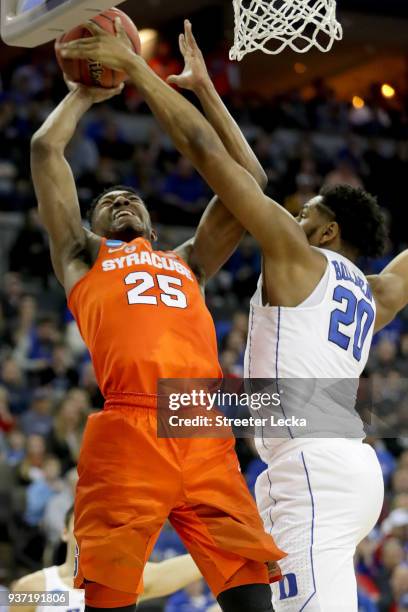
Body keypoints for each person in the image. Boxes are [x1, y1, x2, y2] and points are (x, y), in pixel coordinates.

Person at [59, 17, 408, 612]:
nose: (286, 217)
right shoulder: (378, 291)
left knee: (170, 405)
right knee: (184, 405)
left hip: (310, 466)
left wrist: (140, 68)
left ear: (325, 231)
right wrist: (207, 90)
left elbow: (211, 159)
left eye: (304, 214)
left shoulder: (295, 251)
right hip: (352, 456)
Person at [31, 20, 285, 612]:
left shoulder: (189, 261)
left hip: (200, 422)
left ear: (151, 221)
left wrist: (206, 92)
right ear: (93, 224)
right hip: (129, 426)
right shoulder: (80, 256)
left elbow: (250, 182)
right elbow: (46, 150)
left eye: (132, 198)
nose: (122, 200)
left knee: (253, 601)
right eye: (108, 201)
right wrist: (85, 92)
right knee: (110, 600)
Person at [9, 506, 211, 612]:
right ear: (64, 532)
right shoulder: (32, 587)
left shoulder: (123, 580)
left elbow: (183, 566)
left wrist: (230, 548)